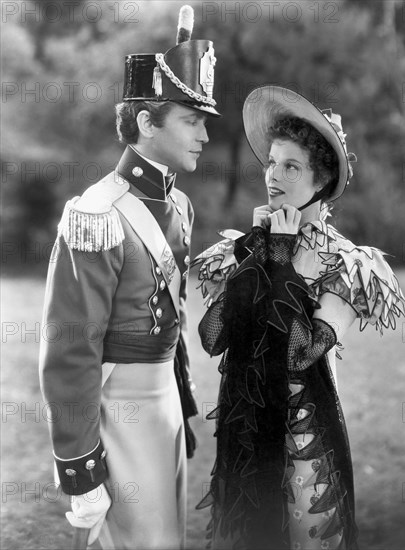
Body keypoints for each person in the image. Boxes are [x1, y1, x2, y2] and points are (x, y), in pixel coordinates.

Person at [192, 86, 405, 550]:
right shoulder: (247, 248)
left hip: (303, 443)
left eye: (291, 166)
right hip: (243, 436)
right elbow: (212, 337)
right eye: (271, 162)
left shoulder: (347, 263)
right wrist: (257, 258)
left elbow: (299, 352)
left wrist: (282, 261)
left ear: (321, 181)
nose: (273, 175)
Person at [39, 6, 220, 549]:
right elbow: (70, 349)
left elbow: (175, 320)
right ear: (146, 122)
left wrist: (181, 406)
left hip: (164, 403)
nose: (204, 137)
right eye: (192, 121)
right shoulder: (96, 213)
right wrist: (80, 465)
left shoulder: (180, 206)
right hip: (119, 409)